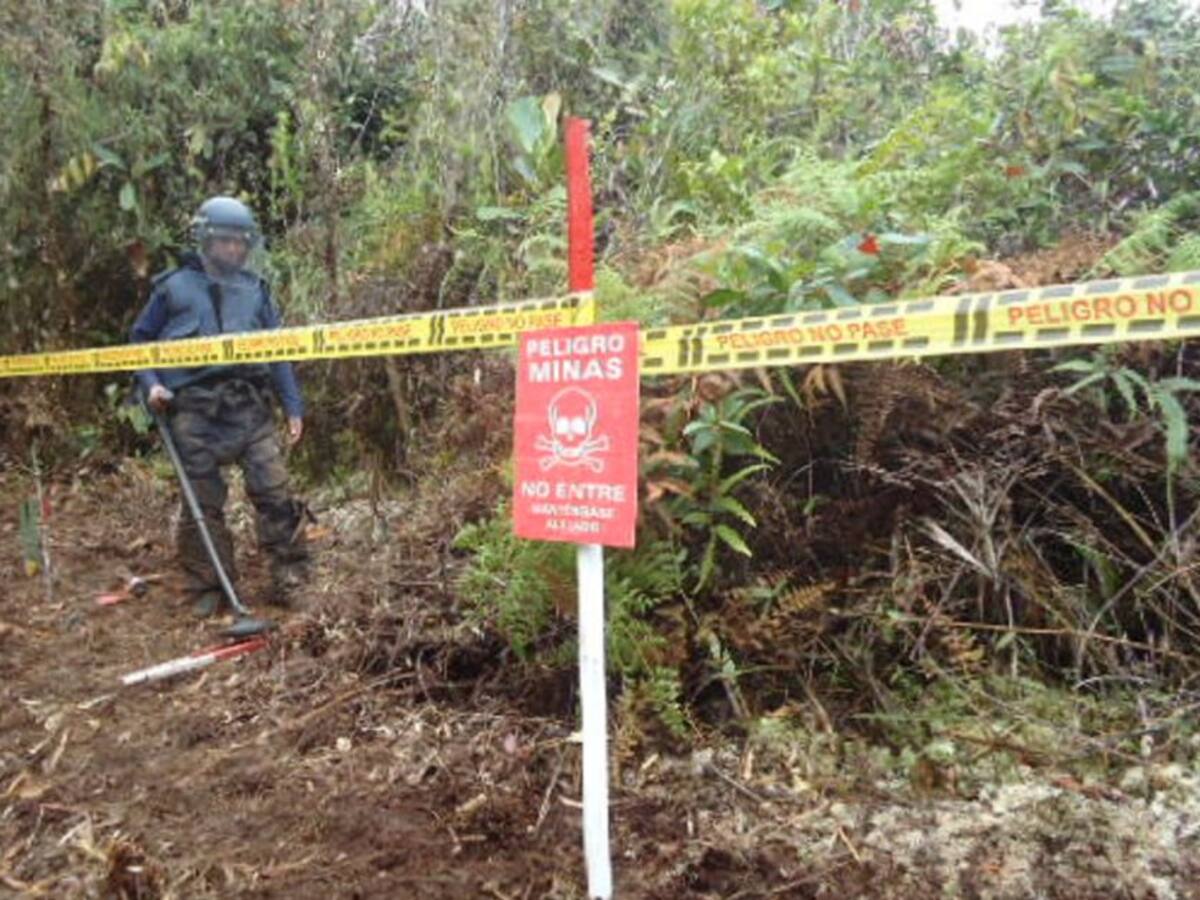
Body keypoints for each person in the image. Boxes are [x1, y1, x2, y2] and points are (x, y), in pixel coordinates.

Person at [130, 196, 309, 618]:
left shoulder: (256, 290)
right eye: (226, 240)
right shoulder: (172, 287)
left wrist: (293, 405)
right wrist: (154, 385)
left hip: (249, 406)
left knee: (275, 490)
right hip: (192, 411)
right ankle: (208, 586)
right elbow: (139, 342)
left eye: (241, 241)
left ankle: (291, 574)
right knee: (202, 502)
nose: (234, 249)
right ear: (206, 240)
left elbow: (279, 350)